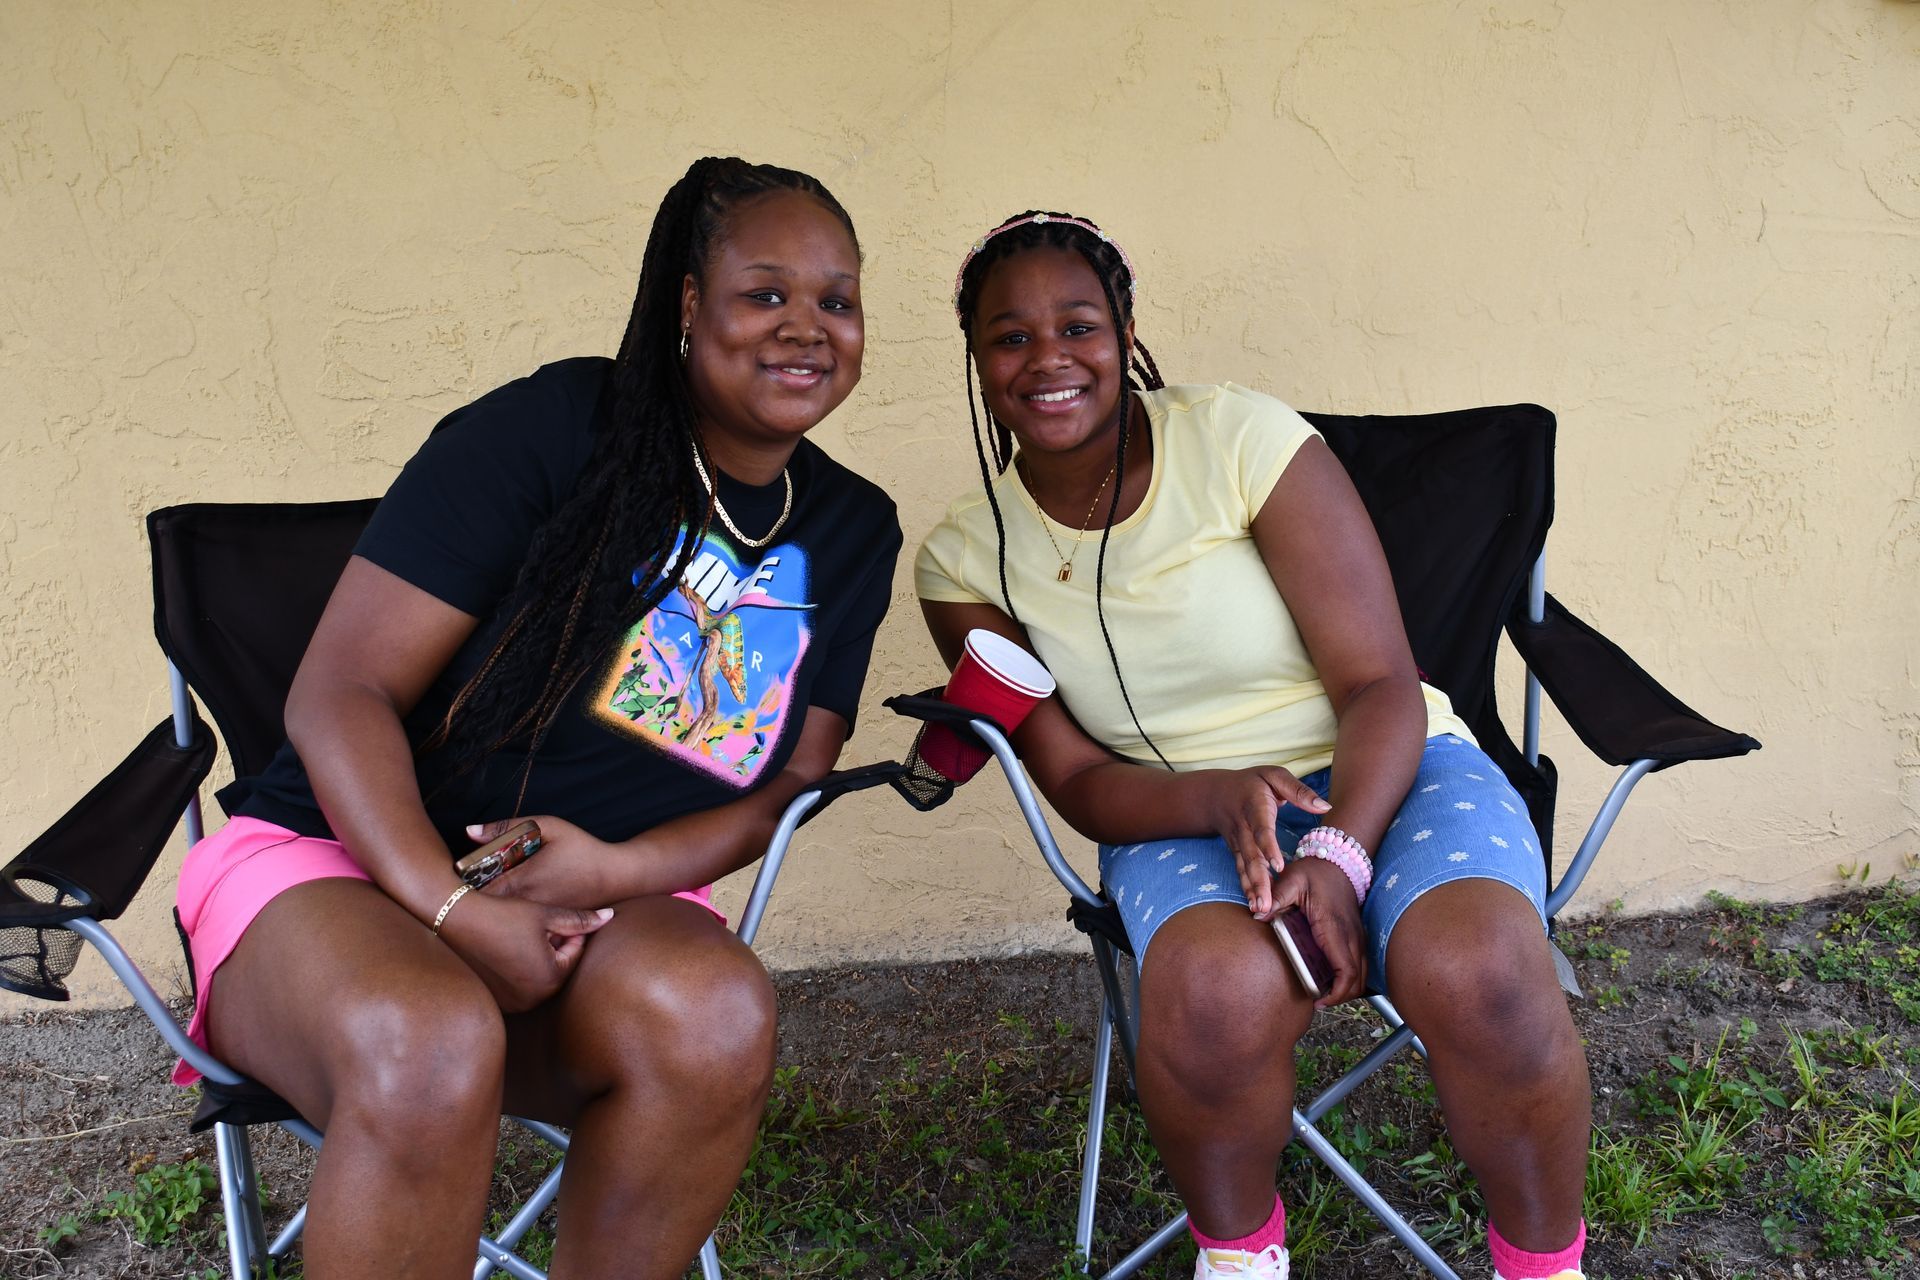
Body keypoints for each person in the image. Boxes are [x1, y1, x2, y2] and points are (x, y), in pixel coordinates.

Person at [170, 157, 902, 1280]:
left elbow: (789, 781)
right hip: (336, 865)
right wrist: (451, 904)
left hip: (592, 905)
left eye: (836, 300)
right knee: (426, 1040)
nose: (806, 327)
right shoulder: (558, 427)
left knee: (710, 1014)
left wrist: (613, 867)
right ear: (689, 303)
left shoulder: (850, 528)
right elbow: (339, 691)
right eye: (765, 293)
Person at [915, 211, 1591, 1280]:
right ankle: (1240, 1260)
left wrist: (1337, 854)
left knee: (1488, 971)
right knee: (1215, 993)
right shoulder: (963, 559)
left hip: (1392, 766)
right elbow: (1078, 777)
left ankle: (1545, 1268)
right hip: (1178, 809)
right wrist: (1221, 797)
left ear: (1125, 330)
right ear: (976, 357)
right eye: (1010, 336)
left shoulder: (1238, 438)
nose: (1048, 358)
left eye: (1078, 325)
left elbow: (1379, 682)